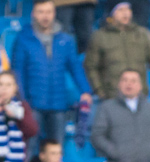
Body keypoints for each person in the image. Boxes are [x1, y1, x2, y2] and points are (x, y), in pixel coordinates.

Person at [11, 0, 92, 146]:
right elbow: (18, 72)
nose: (45, 16)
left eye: (48, 12)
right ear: (33, 14)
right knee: (30, 147)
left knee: (57, 149)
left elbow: (75, 68)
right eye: (41, 12)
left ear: (54, 13)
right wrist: (22, 100)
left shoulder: (65, 40)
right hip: (32, 105)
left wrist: (85, 91)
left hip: (58, 104)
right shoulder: (23, 39)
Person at [84, 1, 150, 103]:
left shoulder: (143, 34)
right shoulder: (99, 37)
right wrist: (100, 91)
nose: (125, 13)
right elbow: (91, 67)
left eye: (128, 9)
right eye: (121, 10)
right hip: (111, 98)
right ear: (111, 14)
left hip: (140, 97)